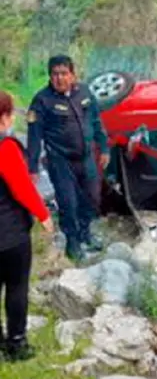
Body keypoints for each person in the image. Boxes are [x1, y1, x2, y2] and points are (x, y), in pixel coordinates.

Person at [26, 55, 110, 262]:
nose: (59, 78)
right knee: (68, 202)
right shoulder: (42, 100)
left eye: (64, 73)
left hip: (86, 157)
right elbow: (34, 136)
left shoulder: (85, 92)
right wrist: (32, 167)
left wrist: (105, 148)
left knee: (92, 198)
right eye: (55, 74)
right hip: (60, 161)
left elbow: (97, 122)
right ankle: (72, 243)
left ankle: (85, 234)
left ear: (73, 75)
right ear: (50, 76)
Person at [0, 90, 55, 362]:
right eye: (10, 114)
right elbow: (22, 188)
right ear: (4, 118)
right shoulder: (6, 148)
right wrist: (44, 216)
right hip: (9, 236)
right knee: (16, 288)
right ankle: (16, 344)